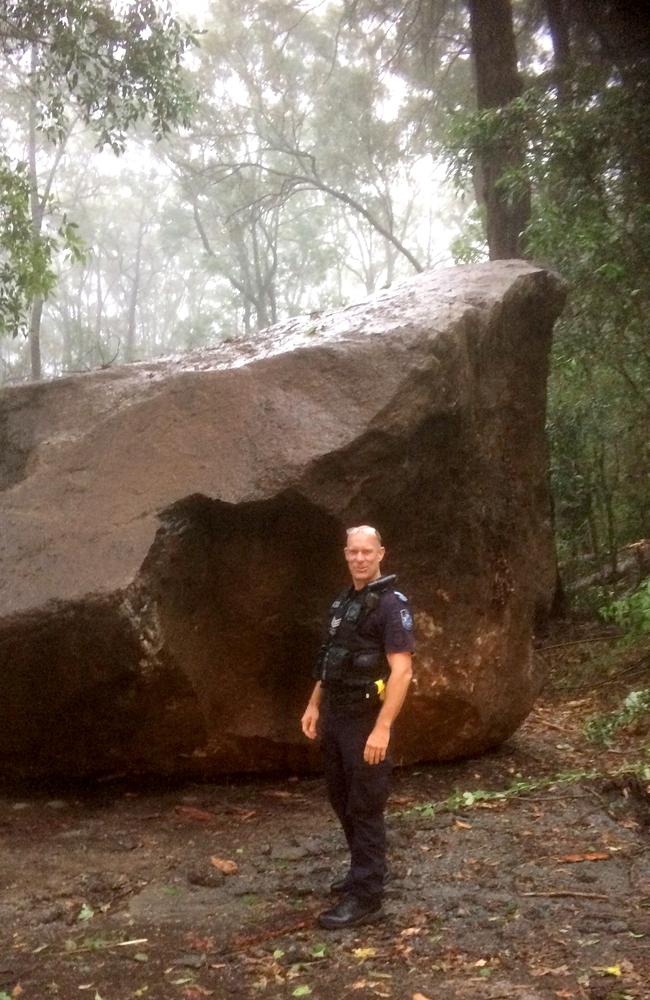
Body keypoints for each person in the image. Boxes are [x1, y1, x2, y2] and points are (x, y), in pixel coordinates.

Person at [301, 525, 414, 929]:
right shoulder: (344, 602)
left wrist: (382, 728)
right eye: (354, 552)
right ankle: (361, 873)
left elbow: (402, 672)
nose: (361, 558)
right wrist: (314, 704)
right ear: (346, 554)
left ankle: (367, 898)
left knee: (365, 805)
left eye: (368, 551)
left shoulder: (390, 605)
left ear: (381, 553)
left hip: (366, 720)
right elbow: (332, 659)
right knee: (342, 798)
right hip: (336, 714)